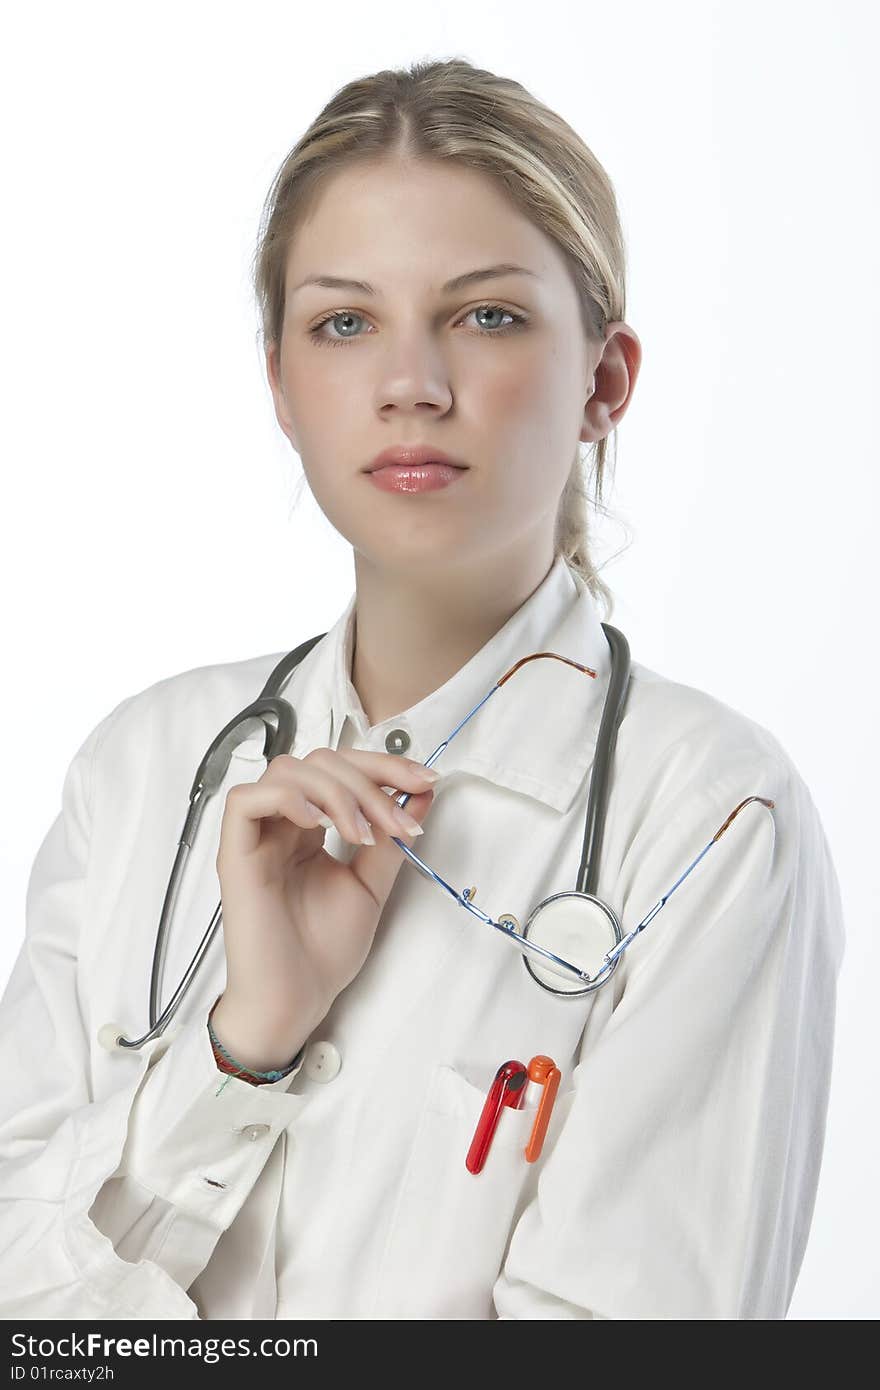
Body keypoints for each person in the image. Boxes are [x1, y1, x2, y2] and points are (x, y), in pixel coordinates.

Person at [0, 57, 845, 1321]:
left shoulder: (714, 819)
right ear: (280, 382)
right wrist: (244, 1045)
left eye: (486, 316)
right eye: (344, 321)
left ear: (605, 384)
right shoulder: (143, 769)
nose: (411, 384)